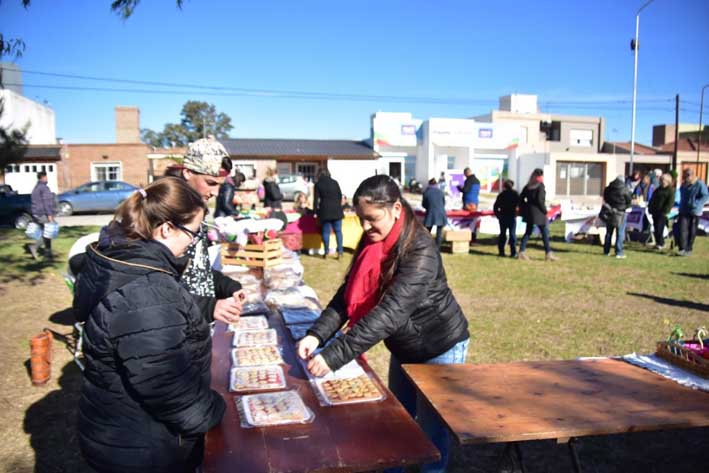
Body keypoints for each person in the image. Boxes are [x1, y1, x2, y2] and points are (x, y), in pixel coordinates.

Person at [296, 175, 469, 473]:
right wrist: (316, 334)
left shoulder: (421, 250)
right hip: (404, 346)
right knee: (395, 422)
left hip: (439, 348)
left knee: (431, 431)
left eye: (372, 219)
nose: (365, 227)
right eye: (360, 219)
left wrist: (333, 355)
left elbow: (390, 312)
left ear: (396, 209)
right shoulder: (373, 238)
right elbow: (347, 295)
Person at [73, 177, 225, 473]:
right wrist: (217, 410)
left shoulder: (130, 262)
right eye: (193, 232)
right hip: (143, 447)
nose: (195, 241)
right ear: (166, 228)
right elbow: (166, 386)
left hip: (127, 433)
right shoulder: (144, 289)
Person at [164, 137, 244, 325]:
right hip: (175, 331)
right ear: (188, 172)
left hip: (197, 327)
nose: (216, 193)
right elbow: (155, 288)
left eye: (220, 185)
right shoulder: (164, 214)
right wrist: (208, 307)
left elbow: (195, 269)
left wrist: (227, 286)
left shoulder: (194, 211)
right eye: (210, 183)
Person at [518, 169, 557, 261]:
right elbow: (540, 200)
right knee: (544, 233)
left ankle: (521, 252)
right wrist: (545, 211)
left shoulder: (528, 186)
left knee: (528, 232)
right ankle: (548, 253)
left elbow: (521, 199)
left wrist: (525, 208)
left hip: (530, 212)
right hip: (539, 213)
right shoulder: (540, 186)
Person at [677, 167, 709, 256]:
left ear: (691, 175)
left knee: (692, 230)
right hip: (683, 210)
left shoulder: (700, 184)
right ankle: (682, 248)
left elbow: (705, 196)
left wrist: (696, 203)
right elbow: (681, 193)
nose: (684, 178)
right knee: (682, 229)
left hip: (694, 211)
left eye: (685, 176)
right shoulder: (684, 184)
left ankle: (688, 249)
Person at [314, 169, 344, 259]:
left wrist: (315, 211)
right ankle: (340, 252)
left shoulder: (318, 184)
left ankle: (326, 252)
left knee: (326, 232)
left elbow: (316, 200)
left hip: (325, 211)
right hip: (337, 210)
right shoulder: (335, 182)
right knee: (338, 231)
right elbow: (339, 196)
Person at [27, 171, 56, 259]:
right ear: (43, 177)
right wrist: (50, 216)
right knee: (48, 233)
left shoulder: (36, 188)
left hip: (36, 214)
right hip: (43, 214)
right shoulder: (44, 188)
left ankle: (48, 253)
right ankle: (35, 247)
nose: (47, 179)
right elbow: (47, 203)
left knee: (46, 232)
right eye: (46, 177)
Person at [602, 175, 632, 259]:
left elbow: (605, 198)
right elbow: (629, 200)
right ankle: (619, 252)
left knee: (608, 232)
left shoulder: (609, 188)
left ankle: (606, 251)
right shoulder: (625, 189)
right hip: (621, 213)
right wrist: (626, 207)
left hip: (610, 212)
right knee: (620, 233)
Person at [647, 173, 675, 250]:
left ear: (668, 181)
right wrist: (650, 208)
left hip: (662, 213)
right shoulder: (657, 190)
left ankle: (661, 243)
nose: (662, 181)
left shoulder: (670, 191)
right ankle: (659, 243)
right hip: (655, 211)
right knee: (655, 228)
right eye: (661, 180)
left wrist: (665, 211)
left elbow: (670, 202)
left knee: (660, 228)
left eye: (663, 180)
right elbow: (652, 199)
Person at [493, 179, 520, 258]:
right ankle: (513, 252)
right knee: (512, 235)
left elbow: (495, 206)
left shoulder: (501, 195)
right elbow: (520, 204)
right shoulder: (515, 194)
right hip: (511, 216)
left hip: (503, 216)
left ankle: (501, 251)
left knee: (502, 234)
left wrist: (498, 215)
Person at [422, 177, 447, 249]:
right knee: (439, 233)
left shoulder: (426, 192)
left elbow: (423, 204)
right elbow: (443, 203)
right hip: (441, 214)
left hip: (430, 214)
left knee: (427, 232)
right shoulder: (440, 192)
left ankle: (427, 246)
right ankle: (437, 248)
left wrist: (428, 208)